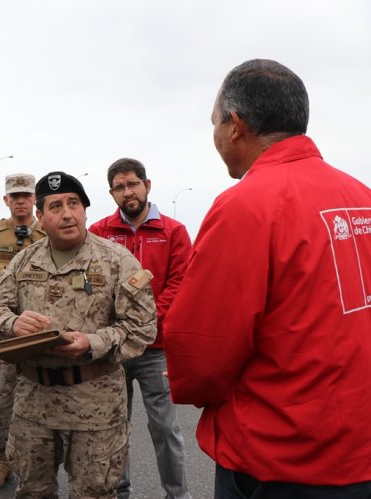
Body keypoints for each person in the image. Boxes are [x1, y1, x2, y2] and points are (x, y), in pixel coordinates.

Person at [165, 59, 371, 498]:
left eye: (215, 122)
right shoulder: (361, 196)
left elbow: (201, 351)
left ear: (235, 125)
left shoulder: (247, 205)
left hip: (282, 456)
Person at [0, 171, 157, 498]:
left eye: (74, 204)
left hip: (96, 406)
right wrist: (12, 324)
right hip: (34, 404)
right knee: (33, 491)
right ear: (40, 217)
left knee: (94, 493)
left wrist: (92, 342)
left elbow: (142, 327)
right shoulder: (23, 262)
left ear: (85, 210)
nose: (67, 213)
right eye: (56, 206)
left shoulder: (116, 261)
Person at [88, 158, 192, 499]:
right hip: (114, 350)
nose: (127, 192)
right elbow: (89, 285)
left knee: (165, 427)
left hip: (156, 348)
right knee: (114, 428)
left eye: (133, 183)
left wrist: (144, 322)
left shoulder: (174, 232)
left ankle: (177, 495)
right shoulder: (101, 232)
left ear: (148, 185)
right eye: (119, 187)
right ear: (111, 193)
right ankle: (120, 491)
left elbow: (180, 284)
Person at [0, 173, 46, 490]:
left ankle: (33, 462)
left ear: (34, 199)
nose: (21, 201)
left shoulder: (49, 231)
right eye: (15, 196)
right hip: (3, 331)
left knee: (42, 399)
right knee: (2, 399)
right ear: (6, 200)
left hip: (39, 331)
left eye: (26, 195)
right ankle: (2, 458)